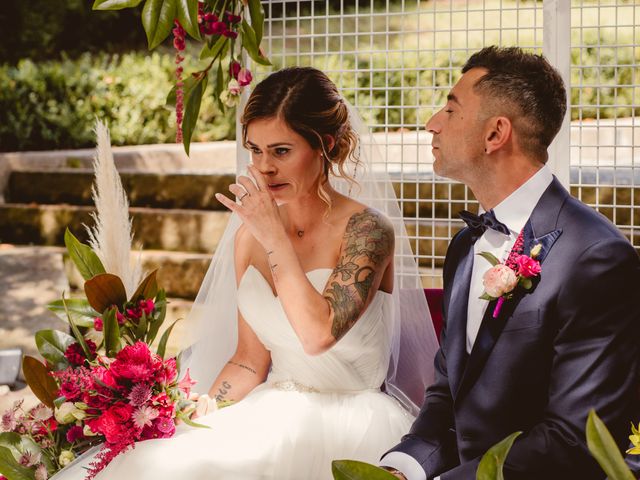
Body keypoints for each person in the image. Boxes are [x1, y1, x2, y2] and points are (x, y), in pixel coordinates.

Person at [53, 66, 439, 480]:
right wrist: (204, 405)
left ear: (325, 144)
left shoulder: (368, 231)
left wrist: (274, 235)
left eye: (281, 151)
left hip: (354, 423)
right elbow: (249, 362)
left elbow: (317, 334)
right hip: (270, 410)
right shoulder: (249, 238)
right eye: (255, 150)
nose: (264, 167)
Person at [381, 46, 640, 480]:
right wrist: (402, 470)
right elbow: (448, 393)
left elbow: (576, 438)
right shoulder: (466, 246)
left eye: (450, 109)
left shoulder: (596, 257)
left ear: (495, 134)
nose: (432, 124)